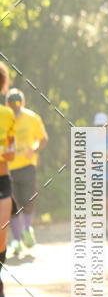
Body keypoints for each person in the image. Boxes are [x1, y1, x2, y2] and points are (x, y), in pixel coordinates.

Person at [7, 88, 48, 255]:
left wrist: (35, 148)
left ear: (22, 103)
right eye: (11, 103)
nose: (15, 106)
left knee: (28, 201)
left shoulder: (32, 118)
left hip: (28, 165)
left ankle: (27, 229)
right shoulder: (3, 119)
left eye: (18, 103)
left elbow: (43, 139)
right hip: (8, 168)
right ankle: (16, 240)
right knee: (12, 204)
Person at [0, 63, 16, 297]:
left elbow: (10, 150)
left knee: (1, 234)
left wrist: (7, 151)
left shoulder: (8, 114)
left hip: (2, 179)